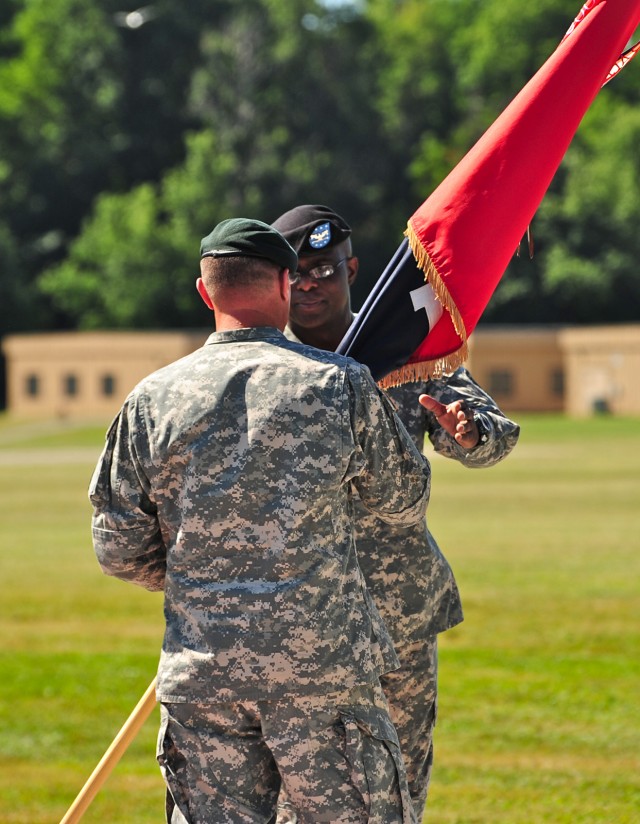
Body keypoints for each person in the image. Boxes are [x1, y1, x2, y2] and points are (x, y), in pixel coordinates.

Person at [89, 217, 432, 824]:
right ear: (283, 282)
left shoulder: (151, 399)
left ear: (205, 292)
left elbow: (117, 545)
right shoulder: (341, 385)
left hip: (206, 675)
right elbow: (402, 496)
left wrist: (207, 578)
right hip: (322, 677)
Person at [271, 204, 521, 820]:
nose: (309, 283)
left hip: (398, 613)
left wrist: (471, 434)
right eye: (296, 273)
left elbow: (494, 430)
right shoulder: (265, 366)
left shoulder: (403, 349)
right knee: (293, 796)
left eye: (324, 269)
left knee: (401, 785)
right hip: (299, 619)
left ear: (351, 269)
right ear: (278, 283)